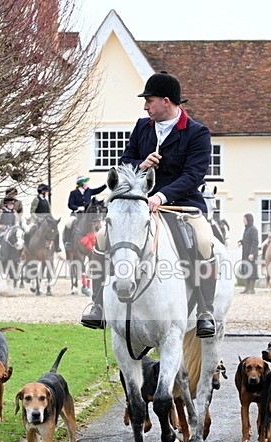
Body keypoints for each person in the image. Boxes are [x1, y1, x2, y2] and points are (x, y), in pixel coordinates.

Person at [80, 71, 217, 337]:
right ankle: (97, 304)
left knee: (204, 240)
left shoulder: (197, 133)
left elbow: (194, 174)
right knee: (102, 237)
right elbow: (125, 161)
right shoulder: (142, 127)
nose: (145, 106)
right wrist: (141, 165)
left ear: (167, 101)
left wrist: (160, 196)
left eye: (149, 100)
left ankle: (205, 310)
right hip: (138, 204)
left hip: (181, 204)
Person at [239, 213, 259, 294]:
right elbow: (246, 240)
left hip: (251, 254)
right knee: (245, 270)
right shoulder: (247, 229)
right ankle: (246, 288)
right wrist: (241, 242)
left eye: (245, 219)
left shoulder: (253, 229)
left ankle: (251, 289)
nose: (243, 221)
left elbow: (255, 242)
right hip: (245, 252)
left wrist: (252, 253)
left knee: (251, 270)